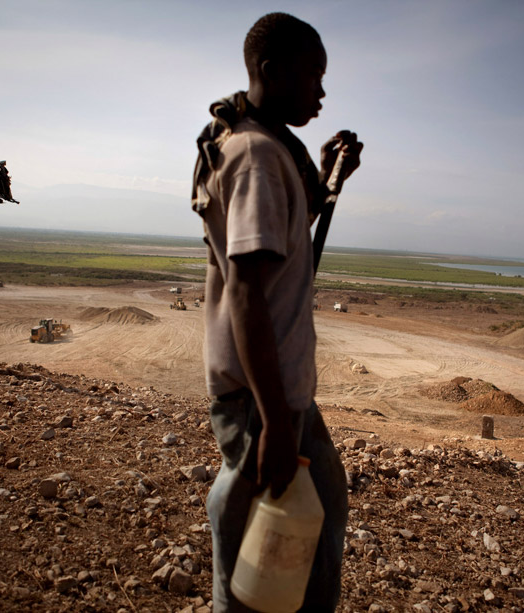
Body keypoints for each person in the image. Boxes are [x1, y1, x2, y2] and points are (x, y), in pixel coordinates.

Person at [191, 12, 363, 612]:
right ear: (270, 70)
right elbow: (245, 292)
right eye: (313, 76)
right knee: (255, 560)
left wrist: (325, 177)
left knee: (313, 522)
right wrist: (273, 422)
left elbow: (282, 237)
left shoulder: (262, 149)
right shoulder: (259, 157)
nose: (321, 92)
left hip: (278, 393)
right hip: (262, 398)